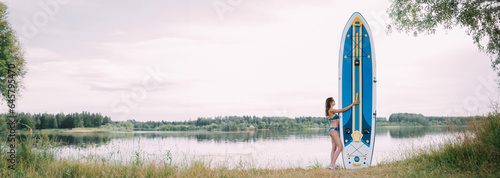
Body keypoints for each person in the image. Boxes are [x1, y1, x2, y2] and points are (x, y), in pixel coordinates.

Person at [325, 97, 359, 170]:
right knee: (340, 147)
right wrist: (353, 104)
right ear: (331, 102)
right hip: (334, 131)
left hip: (333, 130)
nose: (335, 101)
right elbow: (342, 110)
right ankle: (333, 165)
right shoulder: (331, 110)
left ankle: (332, 165)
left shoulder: (330, 110)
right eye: (333, 100)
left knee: (334, 148)